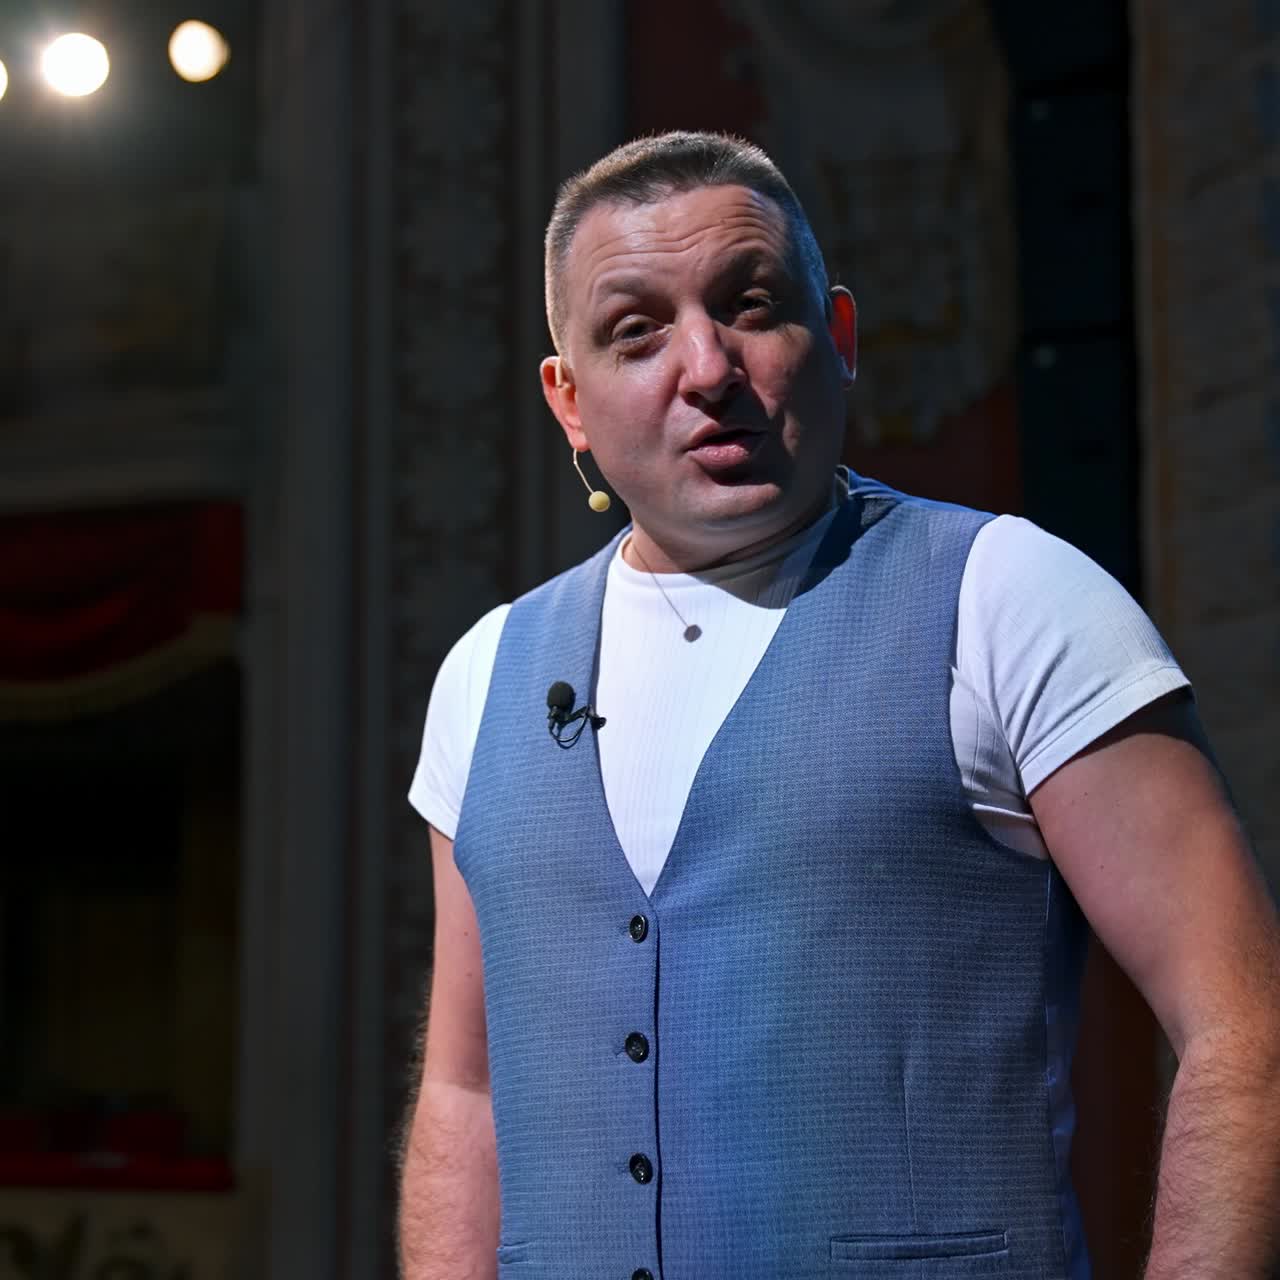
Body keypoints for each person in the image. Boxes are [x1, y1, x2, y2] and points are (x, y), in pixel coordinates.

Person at [398, 132, 1280, 1279]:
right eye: (636, 330)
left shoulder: (1006, 594)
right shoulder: (487, 671)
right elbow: (464, 1093)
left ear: (840, 337)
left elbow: (1242, 1026)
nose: (706, 365)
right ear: (568, 401)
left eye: (750, 305)